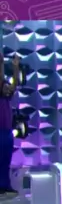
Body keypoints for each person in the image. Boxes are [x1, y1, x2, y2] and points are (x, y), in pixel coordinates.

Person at [0, 51, 20, 195]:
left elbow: (14, 85)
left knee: (6, 160)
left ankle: (5, 184)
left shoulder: (7, 92)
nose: (7, 88)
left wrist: (15, 68)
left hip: (7, 131)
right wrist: (1, 64)